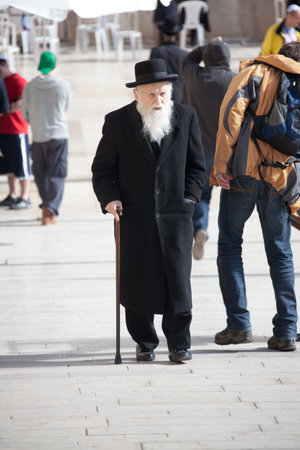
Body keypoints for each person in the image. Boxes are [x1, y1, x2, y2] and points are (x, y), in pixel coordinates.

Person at [92, 59, 206, 363]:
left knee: (178, 282)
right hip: (134, 216)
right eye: (152, 95)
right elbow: (103, 170)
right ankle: (144, 341)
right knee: (137, 279)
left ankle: (179, 344)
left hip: (176, 216)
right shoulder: (117, 122)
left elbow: (197, 167)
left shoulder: (186, 117)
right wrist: (110, 199)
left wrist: (190, 199)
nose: (158, 101)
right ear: (137, 95)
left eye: (163, 94)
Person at [210, 42, 300, 352]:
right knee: (280, 252)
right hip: (281, 177)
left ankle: (239, 325)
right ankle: (287, 329)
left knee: (230, 245)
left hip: (244, 174)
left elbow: (230, 118)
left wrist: (220, 165)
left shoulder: (254, 73)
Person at [182, 37, 236, 260]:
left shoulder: (194, 76)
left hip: (199, 148)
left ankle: (200, 228)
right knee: (233, 195)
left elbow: (187, 58)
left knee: (201, 193)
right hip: (229, 151)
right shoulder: (234, 79)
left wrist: (206, 46)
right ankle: (230, 234)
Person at [22, 51, 71, 225]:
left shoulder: (30, 86)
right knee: (56, 173)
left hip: (39, 135)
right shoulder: (63, 85)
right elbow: (66, 106)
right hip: (58, 135)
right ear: (55, 65)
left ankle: (47, 209)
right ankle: (50, 209)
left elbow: (24, 113)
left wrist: (37, 122)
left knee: (41, 173)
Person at [0, 54, 30, 210]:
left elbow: (23, 101)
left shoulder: (18, 81)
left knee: (22, 164)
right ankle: (13, 194)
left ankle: (25, 196)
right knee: (11, 164)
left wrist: (5, 110)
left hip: (16, 129)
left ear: (5, 66)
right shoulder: (2, 82)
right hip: (3, 129)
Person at [150, 18, 188, 102]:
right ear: (176, 35)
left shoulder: (156, 52)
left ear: (163, 34)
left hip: (161, 97)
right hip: (181, 98)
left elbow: (151, 76)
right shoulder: (185, 54)